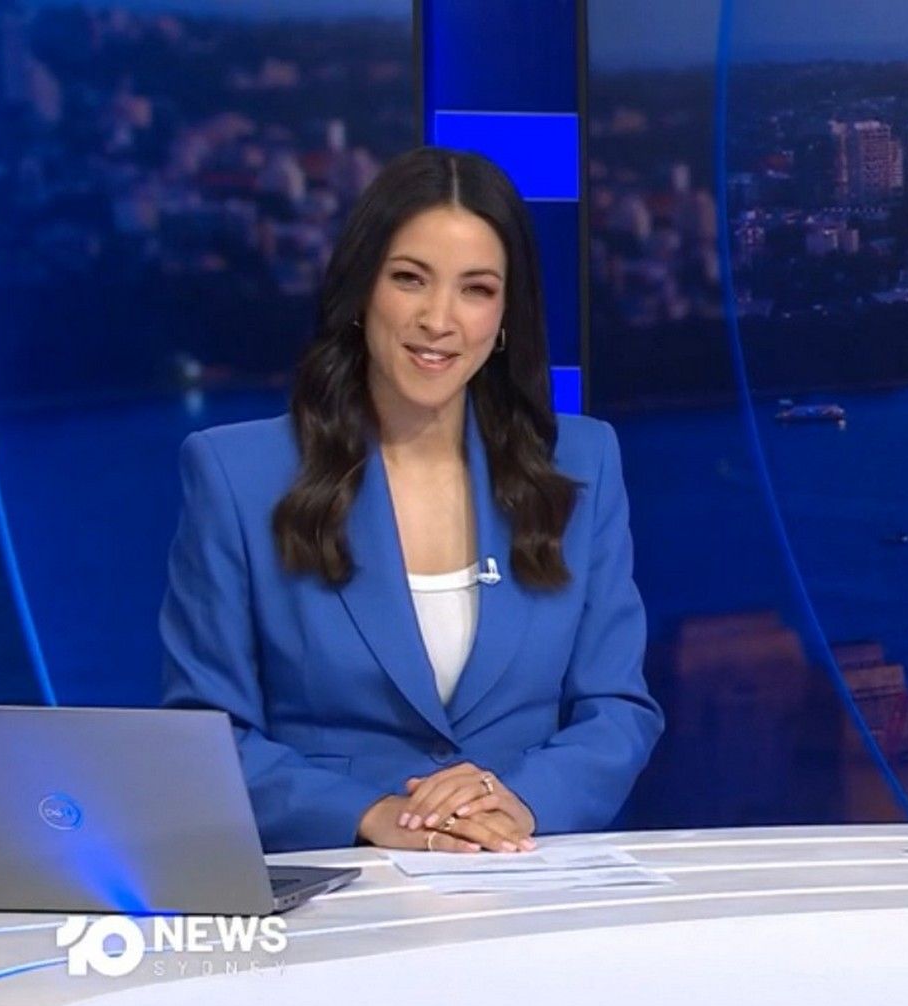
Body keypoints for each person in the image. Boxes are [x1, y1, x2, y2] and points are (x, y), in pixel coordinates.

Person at [161, 147, 663, 854]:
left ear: (505, 316)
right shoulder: (237, 474)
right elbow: (205, 733)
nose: (439, 318)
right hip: (339, 874)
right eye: (409, 279)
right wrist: (371, 814)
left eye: (476, 289)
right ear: (362, 291)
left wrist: (518, 801)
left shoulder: (583, 462)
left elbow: (617, 708)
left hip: (523, 868)